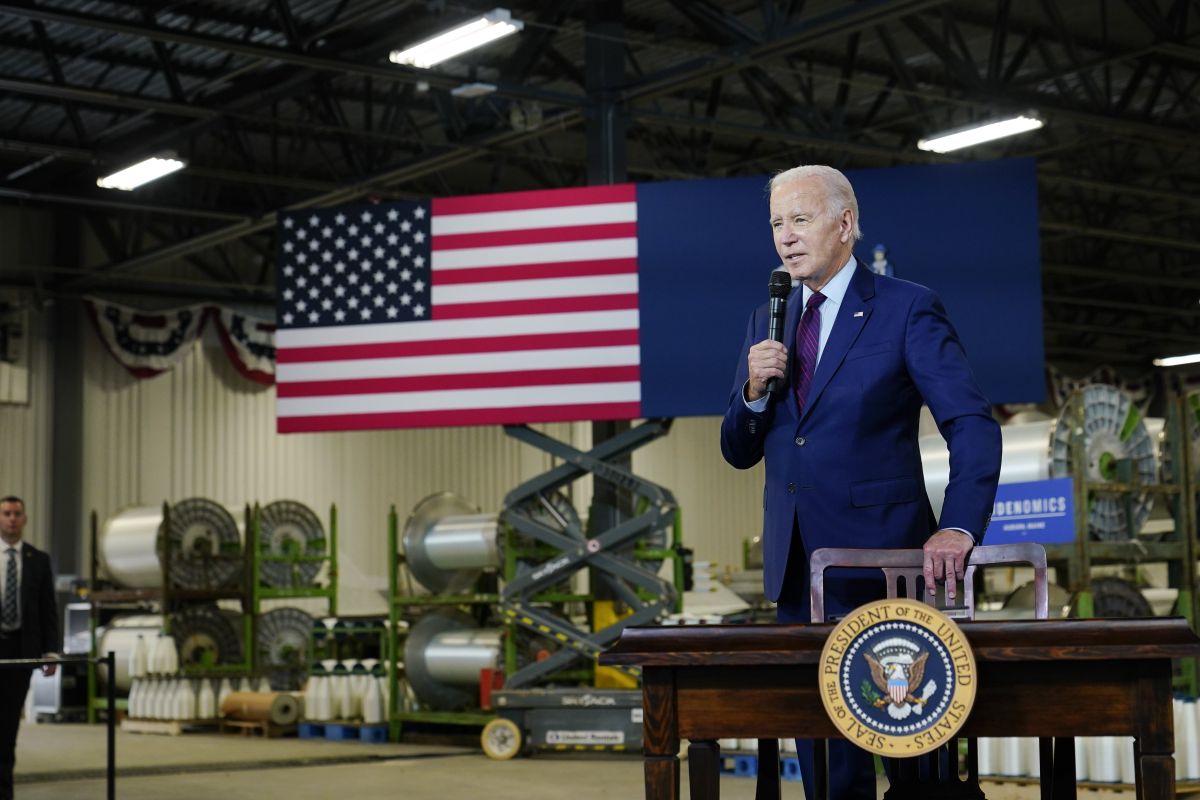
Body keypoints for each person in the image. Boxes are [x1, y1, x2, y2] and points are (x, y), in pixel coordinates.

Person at [720, 165, 1001, 799]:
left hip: (888, 571)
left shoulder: (906, 307)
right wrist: (754, 391)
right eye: (775, 224)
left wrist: (958, 527)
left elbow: (972, 424)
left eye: (800, 220)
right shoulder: (768, 319)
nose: (785, 238)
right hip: (799, 578)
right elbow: (738, 450)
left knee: (915, 764)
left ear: (845, 224)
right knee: (826, 771)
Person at [0, 497, 58, 800]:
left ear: (25, 519)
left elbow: (48, 608)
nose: (11, 518)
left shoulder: (39, 560)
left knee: (8, 729)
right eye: (6, 513)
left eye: (17, 514)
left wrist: (51, 652)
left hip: (19, 654)